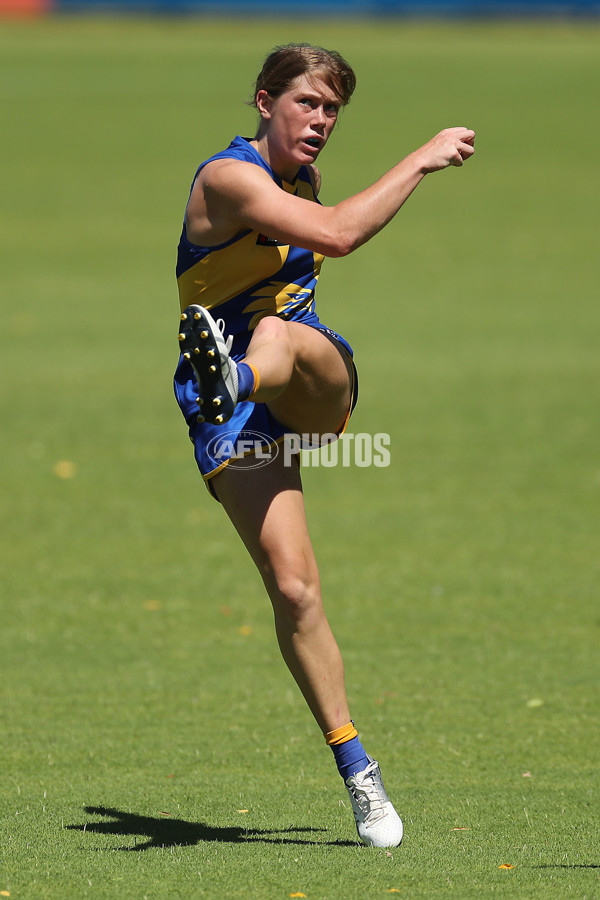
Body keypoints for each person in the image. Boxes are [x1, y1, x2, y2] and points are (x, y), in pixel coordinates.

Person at [174, 43, 475, 848]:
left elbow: (329, 239)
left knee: (277, 331)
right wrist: (420, 159)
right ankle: (359, 772)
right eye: (308, 103)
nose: (322, 122)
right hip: (230, 417)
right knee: (296, 590)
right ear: (265, 101)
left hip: (308, 379)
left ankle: (236, 375)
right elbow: (339, 236)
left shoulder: (297, 178)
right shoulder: (230, 178)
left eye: (333, 110)